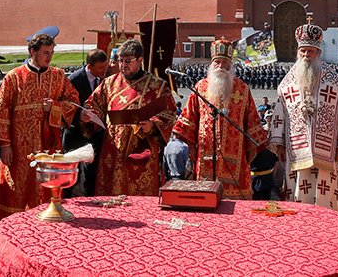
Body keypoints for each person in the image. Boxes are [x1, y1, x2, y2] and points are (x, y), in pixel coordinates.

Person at [0, 33, 80, 223]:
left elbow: (74, 101)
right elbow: (1, 110)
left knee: (45, 193)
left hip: (47, 148)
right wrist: (5, 145)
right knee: (15, 192)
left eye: (52, 52)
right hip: (18, 151)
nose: (49, 57)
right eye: (45, 52)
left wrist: (55, 106)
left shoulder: (58, 76)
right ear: (32, 51)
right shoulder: (14, 78)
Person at [269, 23, 338, 210]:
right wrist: (280, 144)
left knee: (326, 194)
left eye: (311, 51)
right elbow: (279, 114)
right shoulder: (287, 82)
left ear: (319, 52)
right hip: (296, 150)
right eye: (303, 51)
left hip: (328, 150)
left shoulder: (335, 80)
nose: (306, 55)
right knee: (298, 194)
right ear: (298, 52)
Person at [169, 39, 268, 199]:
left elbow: (252, 123)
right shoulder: (200, 87)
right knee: (206, 200)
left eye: (225, 62)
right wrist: (192, 149)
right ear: (211, 64)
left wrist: (251, 149)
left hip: (236, 158)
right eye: (217, 62)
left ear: (231, 65)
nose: (221, 66)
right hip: (205, 156)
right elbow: (188, 120)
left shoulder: (242, 90)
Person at [84, 39, 178, 196]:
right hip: (112, 150)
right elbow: (94, 104)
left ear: (140, 60)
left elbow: (170, 113)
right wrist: (89, 115)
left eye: (128, 61)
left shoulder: (157, 86)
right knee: (110, 197)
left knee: (139, 198)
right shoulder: (109, 83)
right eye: (120, 61)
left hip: (141, 150)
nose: (123, 65)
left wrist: (152, 125)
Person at [64, 48, 108, 196]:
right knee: (71, 173)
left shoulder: (106, 79)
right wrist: (79, 117)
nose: (104, 70)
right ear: (90, 66)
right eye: (100, 67)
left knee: (92, 173)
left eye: (105, 66)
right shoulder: (74, 80)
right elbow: (65, 106)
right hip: (75, 134)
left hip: (96, 134)